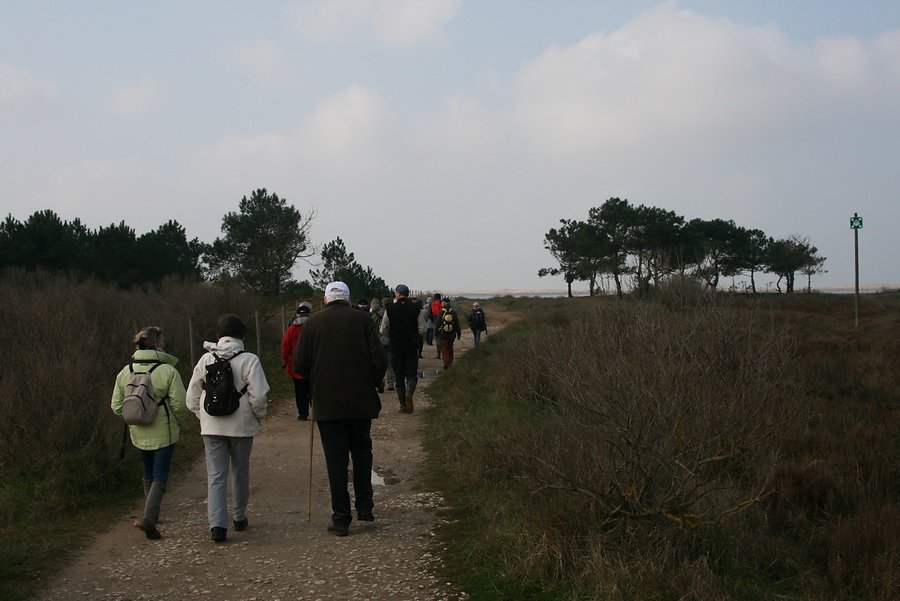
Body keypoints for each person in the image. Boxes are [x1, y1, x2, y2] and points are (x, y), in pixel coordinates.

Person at [294, 281, 386, 536]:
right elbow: (379, 358)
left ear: (325, 299)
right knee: (362, 452)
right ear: (347, 298)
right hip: (360, 401)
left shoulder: (312, 324)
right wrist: (374, 382)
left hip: (328, 403)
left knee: (336, 459)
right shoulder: (364, 320)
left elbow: (299, 365)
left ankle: (341, 518)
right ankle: (365, 508)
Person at [186, 314, 270, 543]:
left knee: (215, 476)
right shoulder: (249, 359)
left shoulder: (205, 359)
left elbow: (191, 396)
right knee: (240, 470)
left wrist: (201, 416)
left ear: (219, 333)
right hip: (241, 426)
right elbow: (260, 395)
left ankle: (217, 526)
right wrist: (258, 415)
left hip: (211, 426)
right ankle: (240, 518)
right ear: (242, 335)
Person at [111, 326, 187, 540]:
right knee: (160, 474)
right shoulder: (168, 371)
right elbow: (180, 404)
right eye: (162, 340)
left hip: (138, 431)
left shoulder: (125, 371)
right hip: (164, 430)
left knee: (147, 470)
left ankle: (151, 515)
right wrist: (179, 421)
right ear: (156, 343)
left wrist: (136, 417)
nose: (165, 343)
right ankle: (150, 519)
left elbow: (117, 406)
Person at [380, 283, 427, 413]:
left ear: (398, 294)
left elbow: (383, 329)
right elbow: (422, 328)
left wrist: (391, 337)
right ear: (407, 294)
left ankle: (402, 405)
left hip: (395, 346)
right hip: (411, 346)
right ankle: (410, 394)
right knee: (411, 373)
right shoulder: (416, 308)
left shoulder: (390, 309)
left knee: (398, 376)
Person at [281, 302, 313, 420]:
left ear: (297, 315)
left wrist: (285, 360)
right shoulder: (314, 327)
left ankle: (303, 414)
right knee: (313, 388)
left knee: (300, 391)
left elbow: (285, 347)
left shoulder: (291, 329)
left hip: (296, 365)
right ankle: (317, 410)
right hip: (313, 363)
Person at [369, 298, 394, 392]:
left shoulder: (376, 315)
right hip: (390, 340)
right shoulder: (392, 313)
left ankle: (380, 383)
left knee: (379, 363)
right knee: (390, 364)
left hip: (378, 340)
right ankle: (390, 383)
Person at [435, 299, 462, 369]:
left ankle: (446, 361)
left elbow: (438, 323)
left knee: (444, 348)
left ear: (444, 303)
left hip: (443, 333)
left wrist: (436, 333)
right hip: (452, 333)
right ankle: (450, 361)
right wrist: (459, 333)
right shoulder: (453, 312)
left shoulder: (441, 312)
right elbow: (457, 324)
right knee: (450, 347)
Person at [430, 293, 443, 359]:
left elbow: (432, 313)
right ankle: (444, 353)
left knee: (437, 337)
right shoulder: (442, 303)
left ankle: (438, 354)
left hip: (436, 320)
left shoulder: (433, 303)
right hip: (443, 321)